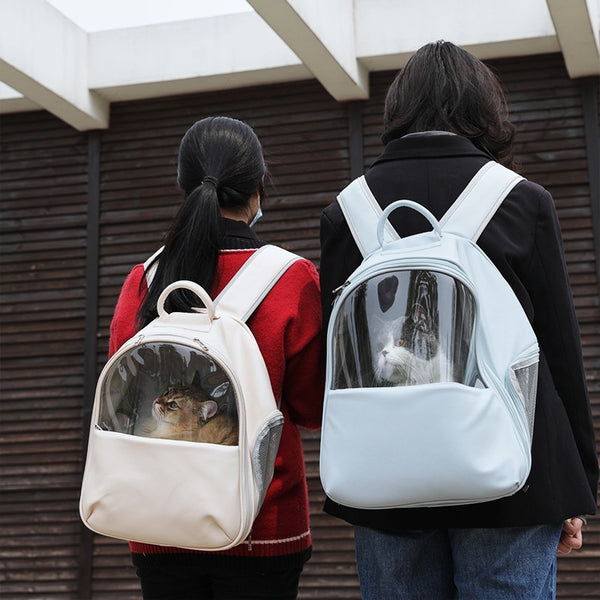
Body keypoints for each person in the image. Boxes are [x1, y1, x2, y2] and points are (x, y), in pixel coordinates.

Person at [319, 41, 598, 599]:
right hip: (511, 475)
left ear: (398, 108)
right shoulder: (521, 200)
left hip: (384, 476)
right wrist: (576, 485)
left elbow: (341, 359)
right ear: (483, 109)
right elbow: (557, 350)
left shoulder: (347, 211)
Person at [108, 116, 325, 600]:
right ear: (257, 190)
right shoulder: (291, 279)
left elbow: (123, 406)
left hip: (158, 524)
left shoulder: (143, 279)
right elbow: (311, 411)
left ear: (186, 188)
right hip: (262, 525)